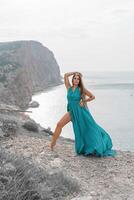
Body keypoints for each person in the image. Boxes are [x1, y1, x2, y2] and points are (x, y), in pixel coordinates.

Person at [49, 71, 117, 157]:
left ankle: (94, 147)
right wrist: (76, 72)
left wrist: (83, 101)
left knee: (88, 130)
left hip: (81, 113)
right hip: (72, 112)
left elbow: (92, 97)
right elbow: (66, 75)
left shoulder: (81, 89)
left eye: (78, 79)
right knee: (59, 124)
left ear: (79, 81)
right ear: (72, 79)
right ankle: (52, 143)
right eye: (75, 78)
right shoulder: (68, 88)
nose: (76, 80)